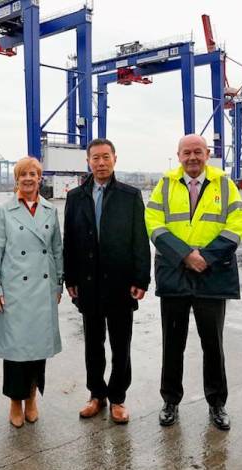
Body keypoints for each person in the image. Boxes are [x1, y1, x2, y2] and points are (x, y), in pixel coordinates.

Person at [145, 134, 242, 431]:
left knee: (213, 344)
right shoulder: (165, 183)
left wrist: (207, 257)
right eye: (187, 152)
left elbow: (237, 222)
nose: (192, 157)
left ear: (207, 154)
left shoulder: (224, 184)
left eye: (198, 152)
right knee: (172, 343)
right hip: (176, 272)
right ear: (178, 155)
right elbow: (153, 221)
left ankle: (217, 404)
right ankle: (170, 401)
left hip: (212, 275)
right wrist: (185, 255)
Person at [63, 138, 150, 424]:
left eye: (105, 157)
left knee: (121, 343)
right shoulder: (76, 197)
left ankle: (118, 398)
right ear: (88, 161)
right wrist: (70, 278)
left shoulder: (130, 195)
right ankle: (96, 395)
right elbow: (70, 241)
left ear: (115, 159)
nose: (100, 163)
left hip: (121, 283)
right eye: (95, 158)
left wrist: (141, 278)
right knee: (93, 343)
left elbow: (140, 239)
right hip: (88, 283)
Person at [0, 157, 63, 428]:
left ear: (40, 178)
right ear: (16, 179)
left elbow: (56, 250)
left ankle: (32, 398)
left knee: (37, 350)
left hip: (42, 289)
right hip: (15, 289)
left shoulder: (50, 210)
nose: (28, 178)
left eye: (33, 174)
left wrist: (58, 284)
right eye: (23, 174)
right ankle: (14, 402)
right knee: (16, 353)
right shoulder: (6, 211)